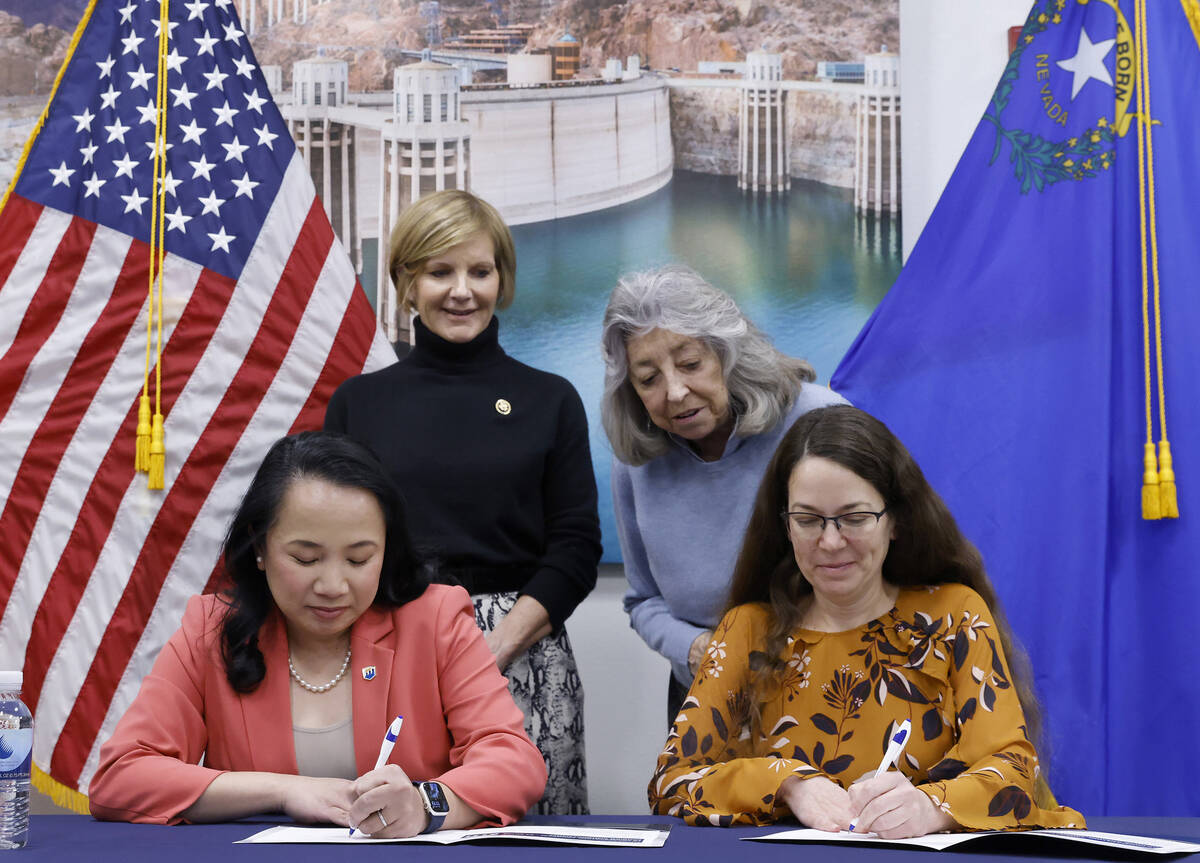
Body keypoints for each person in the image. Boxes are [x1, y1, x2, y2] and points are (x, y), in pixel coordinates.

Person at [648, 405, 1085, 836]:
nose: (831, 541)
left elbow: (1014, 771)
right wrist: (788, 783)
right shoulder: (748, 630)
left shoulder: (953, 615)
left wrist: (933, 808)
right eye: (807, 520)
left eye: (855, 518)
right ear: (784, 526)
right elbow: (671, 782)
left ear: (894, 520)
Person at [89, 432, 547, 832]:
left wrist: (427, 804)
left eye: (359, 559)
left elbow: (514, 762)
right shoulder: (211, 629)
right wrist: (285, 791)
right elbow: (121, 777)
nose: (332, 587)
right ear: (260, 546)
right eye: (305, 559)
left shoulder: (436, 619)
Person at [325, 190, 601, 815]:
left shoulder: (551, 399)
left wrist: (495, 645)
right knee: (392, 829)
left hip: (522, 655)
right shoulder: (358, 403)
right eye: (439, 271)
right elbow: (337, 544)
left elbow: (576, 546)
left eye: (480, 271)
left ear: (501, 279)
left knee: (531, 841)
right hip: (392, 652)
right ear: (407, 282)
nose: (462, 291)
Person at [601, 265, 845, 723]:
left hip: (828, 692)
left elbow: (885, 567)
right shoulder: (635, 465)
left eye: (691, 363)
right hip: (704, 695)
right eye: (648, 378)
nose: (674, 391)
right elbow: (643, 600)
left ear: (728, 354)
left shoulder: (819, 420)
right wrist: (696, 650)